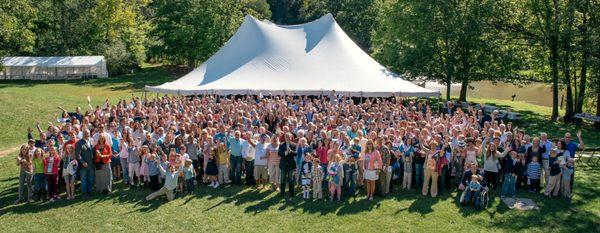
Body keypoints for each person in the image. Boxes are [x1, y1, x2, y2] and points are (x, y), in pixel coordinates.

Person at [75, 129, 95, 196]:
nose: (87, 134)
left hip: (91, 163)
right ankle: (84, 193)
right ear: (83, 134)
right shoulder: (79, 143)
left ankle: (90, 191)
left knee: (90, 178)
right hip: (83, 165)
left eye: (88, 133)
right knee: (83, 180)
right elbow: (78, 155)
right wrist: (83, 162)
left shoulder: (91, 141)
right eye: (86, 133)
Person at [278, 132, 297, 197]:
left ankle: (291, 193)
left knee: (291, 180)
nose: (288, 138)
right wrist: (285, 153)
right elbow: (279, 153)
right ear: (285, 138)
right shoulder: (281, 145)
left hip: (291, 165)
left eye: (289, 137)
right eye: (286, 137)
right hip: (283, 165)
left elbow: (296, 153)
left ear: (291, 137)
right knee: (282, 179)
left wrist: (291, 151)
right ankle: (282, 192)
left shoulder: (294, 145)